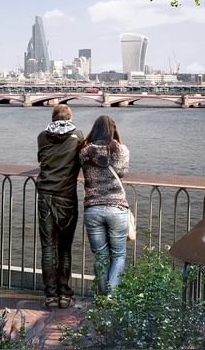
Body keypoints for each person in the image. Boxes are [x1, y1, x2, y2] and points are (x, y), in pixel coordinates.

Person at [36, 104, 84, 310]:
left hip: (45, 195)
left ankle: (50, 296)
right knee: (64, 248)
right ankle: (65, 295)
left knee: (48, 248)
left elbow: (41, 160)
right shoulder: (78, 135)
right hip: (67, 196)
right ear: (70, 118)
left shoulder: (42, 136)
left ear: (53, 117)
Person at [79, 115, 130, 298]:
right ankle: (112, 295)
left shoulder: (84, 151)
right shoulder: (121, 149)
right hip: (117, 206)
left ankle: (101, 296)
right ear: (113, 129)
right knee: (118, 255)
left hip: (92, 207)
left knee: (100, 255)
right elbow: (122, 173)